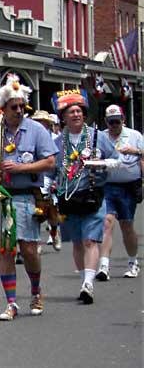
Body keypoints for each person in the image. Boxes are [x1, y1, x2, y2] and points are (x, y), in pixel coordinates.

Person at [0, 74, 56, 321]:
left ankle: (35, 291)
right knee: (6, 250)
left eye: (22, 106)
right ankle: (11, 302)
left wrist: (21, 169)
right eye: (14, 107)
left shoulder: (35, 130)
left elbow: (50, 161)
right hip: (2, 198)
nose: (19, 110)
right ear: (3, 109)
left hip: (27, 197)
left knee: (30, 250)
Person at [53, 93, 119, 305]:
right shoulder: (56, 143)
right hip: (67, 198)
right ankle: (84, 280)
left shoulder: (97, 137)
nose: (76, 114)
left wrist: (102, 164)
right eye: (71, 111)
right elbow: (49, 170)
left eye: (79, 111)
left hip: (92, 196)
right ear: (63, 117)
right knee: (77, 242)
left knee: (90, 239)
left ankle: (88, 283)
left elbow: (116, 161)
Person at [97, 105, 142, 280]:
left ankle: (132, 262)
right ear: (106, 122)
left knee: (126, 225)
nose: (114, 125)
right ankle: (104, 265)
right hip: (107, 185)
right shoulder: (101, 136)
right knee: (107, 223)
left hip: (128, 186)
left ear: (123, 120)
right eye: (111, 122)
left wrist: (135, 151)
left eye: (117, 121)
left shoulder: (134, 135)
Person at [31, 110, 62, 251]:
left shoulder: (56, 139)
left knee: (51, 210)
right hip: (35, 177)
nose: (39, 124)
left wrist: (57, 180)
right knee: (36, 210)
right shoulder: (29, 137)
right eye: (37, 122)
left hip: (51, 177)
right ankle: (36, 240)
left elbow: (59, 162)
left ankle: (54, 231)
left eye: (42, 122)